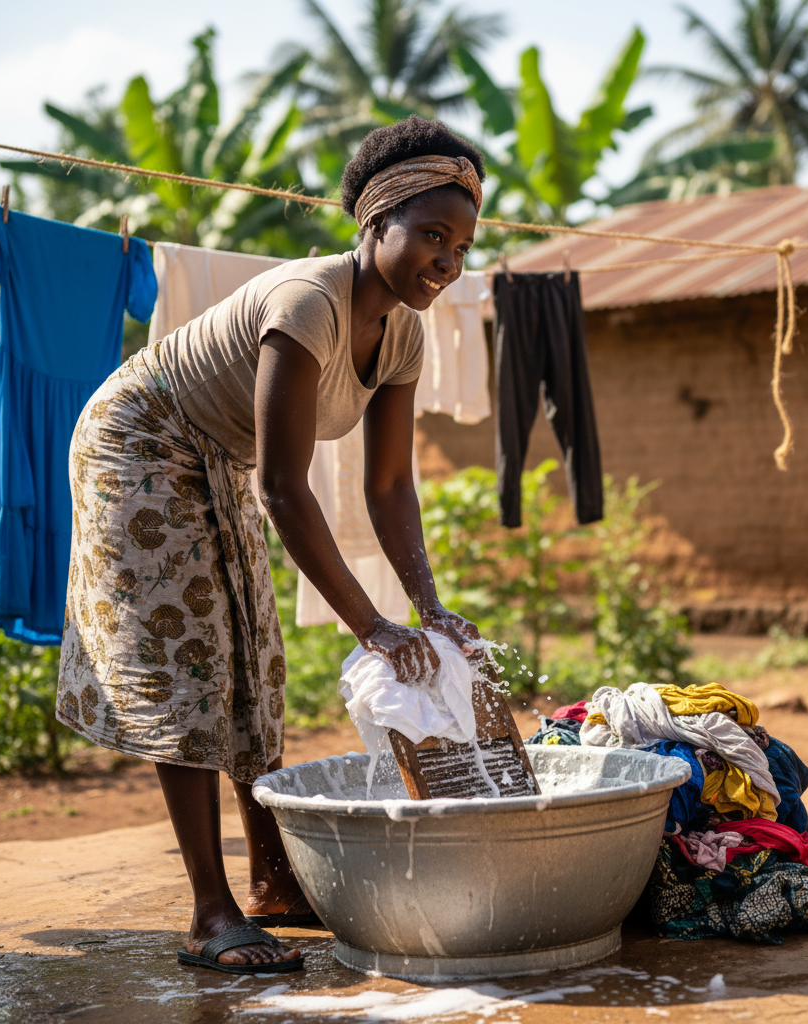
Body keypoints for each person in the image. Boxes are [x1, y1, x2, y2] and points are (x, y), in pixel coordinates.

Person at [55, 116, 485, 974]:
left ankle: (275, 883)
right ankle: (210, 914)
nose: (447, 260)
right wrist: (373, 626)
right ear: (374, 223)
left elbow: (390, 484)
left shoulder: (403, 329)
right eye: (431, 235)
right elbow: (286, 488)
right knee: (190, 662)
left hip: (214, 454)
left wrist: (428, 610)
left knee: (255, 651)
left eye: (463, 244)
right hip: (138, 438)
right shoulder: (308, 304)